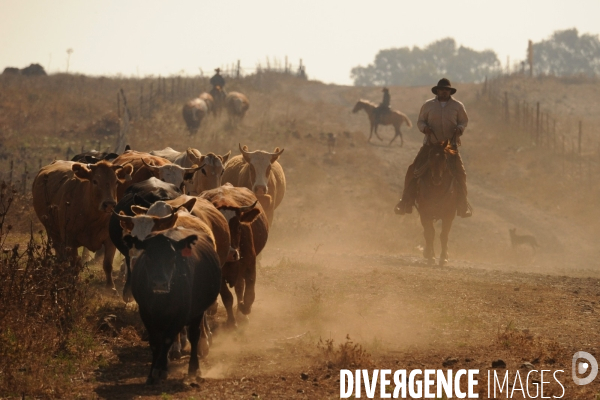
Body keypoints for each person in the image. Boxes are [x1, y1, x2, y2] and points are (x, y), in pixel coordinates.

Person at [394, 78, 471, 217]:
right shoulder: (428, 105)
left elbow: (463, 121)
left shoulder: (458, 106)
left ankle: (463, 205)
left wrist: (459, 129)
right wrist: (425, 128)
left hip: (449, 146)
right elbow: (420, 121)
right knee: (413, 169)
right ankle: (405, 202)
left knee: (461, 173)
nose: (444, 92)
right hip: (430, 145)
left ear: (450, 91)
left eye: (446, 90)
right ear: (437, 91)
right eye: (441, 90)